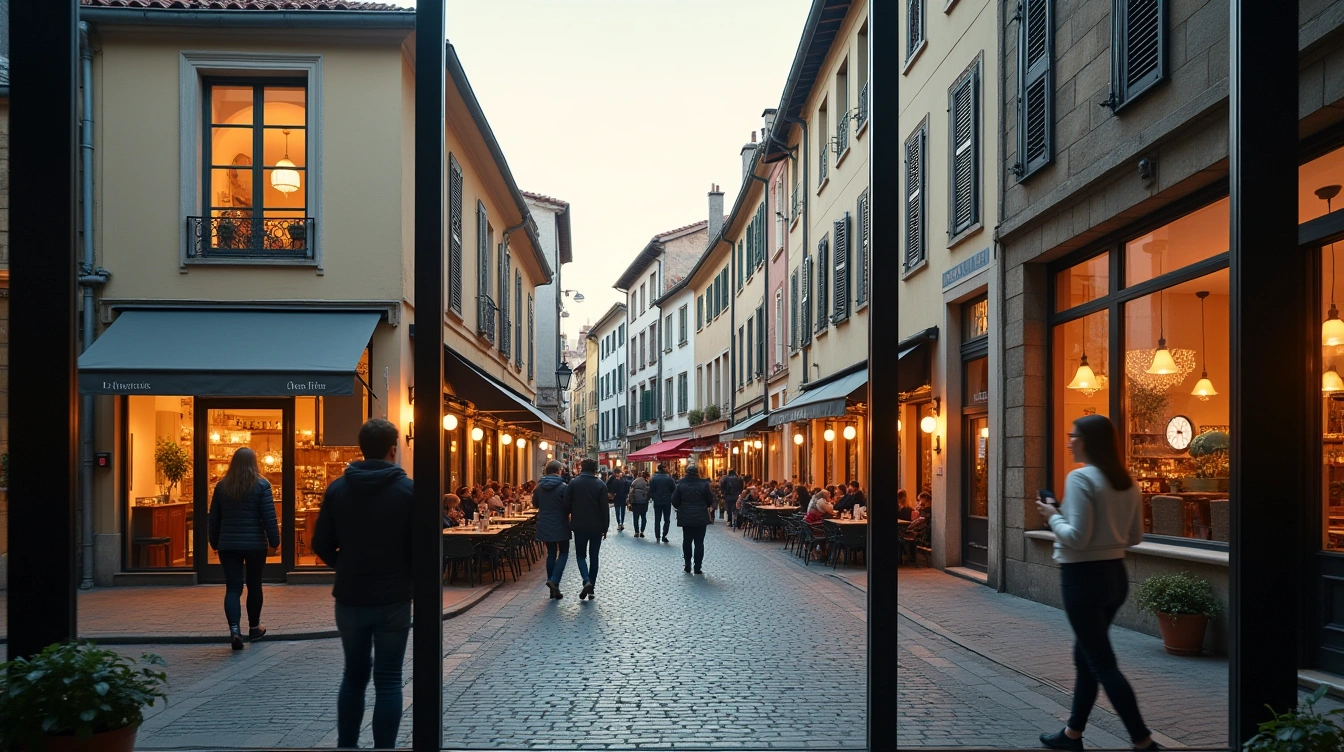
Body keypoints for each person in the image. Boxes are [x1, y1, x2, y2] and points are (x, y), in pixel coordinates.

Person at [1033, 414, 1157, 752]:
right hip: (1115, 577)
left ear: (1089, 440)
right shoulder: (1126, 481)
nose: (1069, 441)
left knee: (1102, 663)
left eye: (1074, 436)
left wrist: (1051, 515)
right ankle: (1072, 734)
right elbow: (1134, 536)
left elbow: (1075, 537)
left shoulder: (1081, 478)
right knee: (1086, 656)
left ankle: (1143, 741)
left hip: (1082, 579)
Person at [311, 419, 415, 751]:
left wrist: (344, 565)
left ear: (361, 448)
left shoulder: (339, 489)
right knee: (388, 681)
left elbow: (320, 542)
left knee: (353, 677)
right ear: (392, 449)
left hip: (351, 597)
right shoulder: (408, 492)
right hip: (393, 598)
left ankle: (347, 746)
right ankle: (384, 748)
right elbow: (419, 548)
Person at [208, 447, 280, 650]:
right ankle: (254, 628)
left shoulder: (222, 486)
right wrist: (274, 541)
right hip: (255, 544)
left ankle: (234, 630)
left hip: (228, 544)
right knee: (254, 585)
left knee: (233, 588)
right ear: (254, 462)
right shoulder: (262, 485)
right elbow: (269, 516)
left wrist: (214, 541)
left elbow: (213, 518)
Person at [566, 458, 610, 600]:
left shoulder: (573, 483)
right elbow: (605, 508)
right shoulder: (601, 485)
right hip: (596, 526)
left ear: (581, 468)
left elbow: (566, 504)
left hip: (579, 525)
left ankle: (586, 580)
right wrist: (605, 527)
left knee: (580, 555)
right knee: (594, 557)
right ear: (595, 469)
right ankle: (591, 589)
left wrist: (569, 517)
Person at [532, 460, 571, 600]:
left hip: (545, 523)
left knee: (551, 553)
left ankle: (553, 588)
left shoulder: (538, 487)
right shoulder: (563, 487)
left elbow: (535, 504)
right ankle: (554, 581)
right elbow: (568, 505)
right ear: (559, 470)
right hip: (560, 523)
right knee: (564, 552)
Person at [670, 463, 715, 574]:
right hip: (700, 517)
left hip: (686, 517)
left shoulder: (680, 484)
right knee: (699, 543)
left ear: (686, 472)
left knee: (687, 541)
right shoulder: (704, 484)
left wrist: (681, 507)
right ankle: (698, 567)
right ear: (697, 472)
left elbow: (674, 500)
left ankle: (687, 564)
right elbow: (710, 499)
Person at [650, 462, 676, 543]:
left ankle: (657, 535)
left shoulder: (653, 478)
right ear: (664, 469)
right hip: (666, 501)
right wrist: (670, 496)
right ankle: (664, 535)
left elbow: (651, 490)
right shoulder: (669, 478)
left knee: (657, 519)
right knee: (666, 519)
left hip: (657, 501)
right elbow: (674, 489)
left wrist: (654, 497)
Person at [607, 467, 630, 532]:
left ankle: (619, 523)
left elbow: (608, 486)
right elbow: (627, 487)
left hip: (617, 497)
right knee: (622, 510)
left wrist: (611, 493)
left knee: (618, 510)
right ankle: (621, 523)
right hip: (623, 497)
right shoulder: (624, 479)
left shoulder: (613, 479)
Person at [629, 470, 651, 537]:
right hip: (644, 502)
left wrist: (630, 501)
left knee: (636, 517)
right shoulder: (646, 483)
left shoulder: (635, 481)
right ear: (647, 477)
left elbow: (631, 492)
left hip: (635, 502)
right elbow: (648, 493)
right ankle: (642, 531)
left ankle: (636, 531)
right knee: (643, 517)